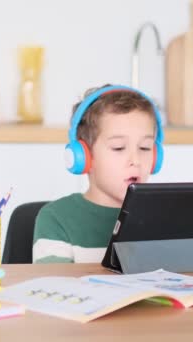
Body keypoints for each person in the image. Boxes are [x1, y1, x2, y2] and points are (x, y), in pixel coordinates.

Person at [32, 84, 164, 263]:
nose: (136, 160)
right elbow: (55, 286)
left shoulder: (162, 218)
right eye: (118, 148)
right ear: (84, 157)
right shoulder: (56, 219)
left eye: (145, 147)